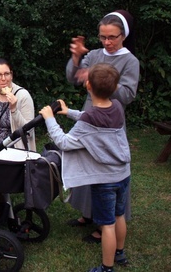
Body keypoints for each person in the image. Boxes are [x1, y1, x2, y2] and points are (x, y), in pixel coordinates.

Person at [40, 63, 131, 272]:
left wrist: (50, 119)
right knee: (119, 216)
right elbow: (90, 118)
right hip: (123, 174)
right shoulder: (116, 106)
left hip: (105, 181)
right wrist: (68, 112)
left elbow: (63, 142)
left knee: (107, 224)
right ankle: (120, 253)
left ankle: (107, 268)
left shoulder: (90, 119)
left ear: (88, 85)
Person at [65, 10, 139, 242]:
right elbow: (73, 77)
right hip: (89, 117)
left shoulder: (130, 61)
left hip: (109, 123)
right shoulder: (96, 54)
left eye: (112, 37)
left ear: (123, 35)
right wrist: (76, 58)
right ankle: (88, 214)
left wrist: (100, 80)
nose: (107, 42)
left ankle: (104, 223)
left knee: (105, 172)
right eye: (103, 37)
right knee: (86, 165)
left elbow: (126, 95)